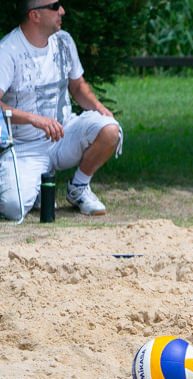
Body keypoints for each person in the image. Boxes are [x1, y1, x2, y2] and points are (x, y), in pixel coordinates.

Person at [0, 0, 122, 220]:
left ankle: (78, 188)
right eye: (55, 6)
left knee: (110, 129)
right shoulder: (8, 51)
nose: (62, 11)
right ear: (34, 15)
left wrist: (99, 108)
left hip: (64, 133)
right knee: (13, 208)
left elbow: (77, 86)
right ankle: (35, 187)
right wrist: (34, 119)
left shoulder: (64, 40)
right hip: (25, 146)